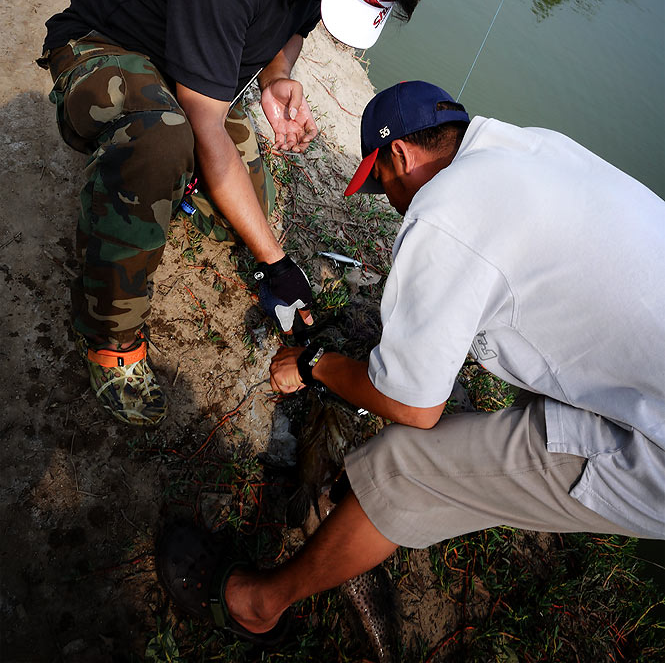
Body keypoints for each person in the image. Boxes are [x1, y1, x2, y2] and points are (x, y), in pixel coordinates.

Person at [156, 80, 664, 646]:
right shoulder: (532, 147)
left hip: (655, 446)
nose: (391, 201)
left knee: (406, 466)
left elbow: (413, 407)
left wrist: (316, 363)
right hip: (644, 373)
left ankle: (257, 605)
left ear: (400, 154)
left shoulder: (447, 210)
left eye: (381, 183)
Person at [38, 0, 454, 427]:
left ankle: (160, 184)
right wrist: (276, 261)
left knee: (249, 203)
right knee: (164, 140)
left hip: (180, 69)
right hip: (101, 51)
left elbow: (298, 20)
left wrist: (278, 76)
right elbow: (205, 127)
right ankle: (110, 336)